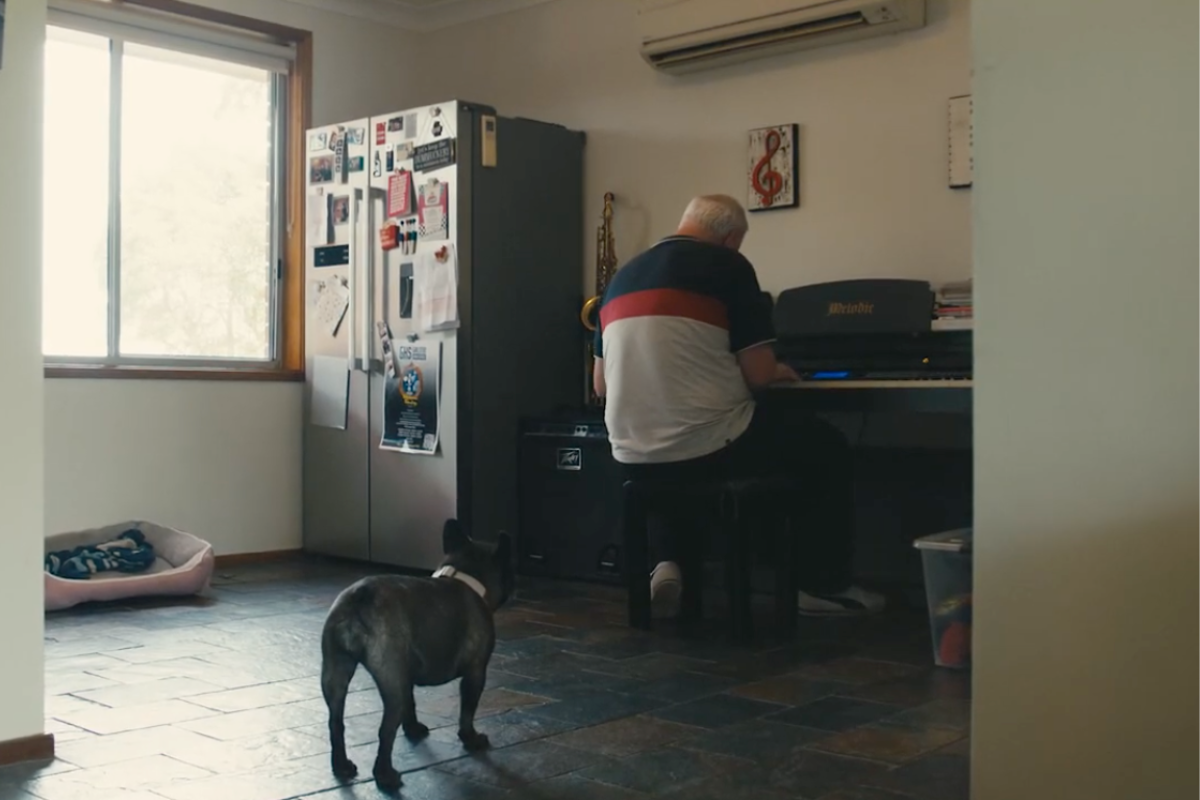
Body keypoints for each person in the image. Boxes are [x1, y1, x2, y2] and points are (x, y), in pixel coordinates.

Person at [592, 194, 885, 618]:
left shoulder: (622, 278)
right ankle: (821, 586)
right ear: (731, 238)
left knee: (686, 433)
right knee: (825, 445)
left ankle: (668, 560)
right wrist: (779, 369)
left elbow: (600, 384)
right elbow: (760, 375)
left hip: (631, 455)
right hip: (708, 453)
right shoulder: (727, 268)